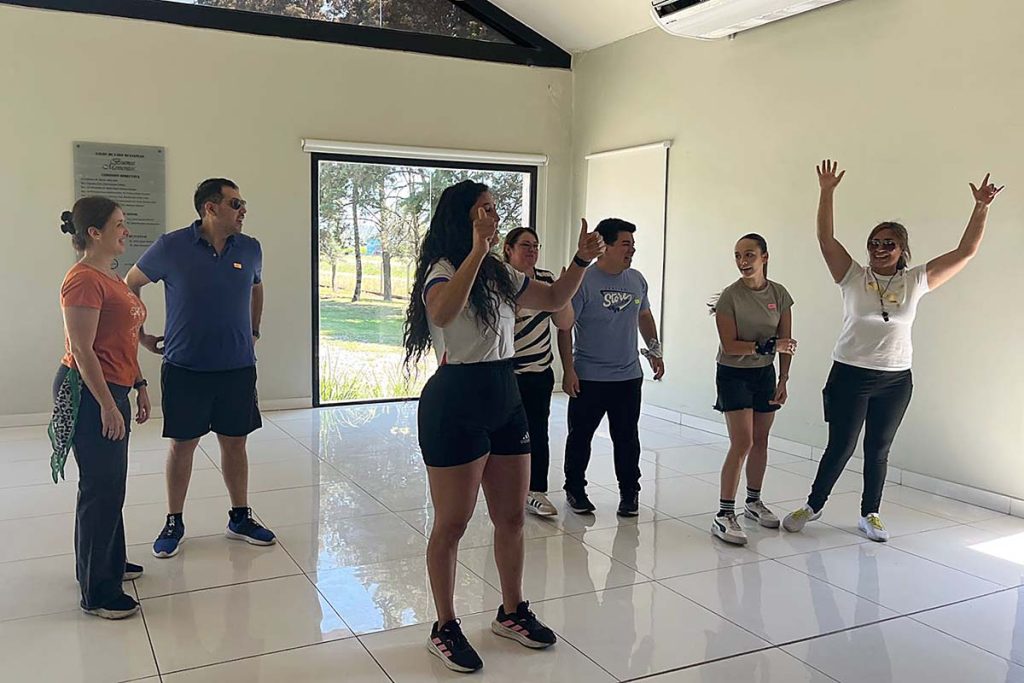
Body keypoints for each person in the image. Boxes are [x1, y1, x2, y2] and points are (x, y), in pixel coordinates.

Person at [403, 179, 604, 673]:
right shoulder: (443, 269)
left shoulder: (499, 271)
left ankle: (511, 611)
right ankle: (444, 626)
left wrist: (581, 261)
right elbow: (443, 312)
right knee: (452, 523)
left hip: (505, 396)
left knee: (512, 517)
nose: (493, 217)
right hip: (456, 401)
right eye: (484, 210)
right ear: (462, 218)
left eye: (495, 209)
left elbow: (554, 297)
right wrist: (476, 251)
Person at [783, 160, 1003, 541]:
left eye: (889, 244)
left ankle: (870, 513)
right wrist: (826, 192)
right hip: (850, 374)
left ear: (902, 250)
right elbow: (825, 239)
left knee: (878, 449)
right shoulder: (853, 276)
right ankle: (813, 505)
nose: (880, 249)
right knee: (841, 446)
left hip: (895, 380)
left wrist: (980, 207)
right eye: (874, 243)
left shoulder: (915, 281)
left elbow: (965, 252)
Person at [125, 178, 274, 559]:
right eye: (235, 203)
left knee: (235, 442)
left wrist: (254, 330)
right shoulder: (171, 246)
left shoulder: (250, 248)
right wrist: (140, 335)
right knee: (183, 445)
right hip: (185, 367)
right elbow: (131, 283)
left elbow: (256, 286)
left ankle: (239, 517)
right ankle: (174, 521)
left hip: (237, 367)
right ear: (210, 207)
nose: (243, 210)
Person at [50, 197, 150, 619]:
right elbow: (82, 349)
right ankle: (98, 591)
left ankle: (108, 561)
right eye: (119, 224)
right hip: (91, 391)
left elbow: (122, 338)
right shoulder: (82, 280)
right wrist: (107, 405)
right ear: (95, 232)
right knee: (100, 487)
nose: (126, 231)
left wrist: (139, 384)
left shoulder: (109, 276)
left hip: (114, 387)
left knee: (111, 484)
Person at [558, 218, 666, 518]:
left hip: (628, 376)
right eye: (625, 244)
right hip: (589, 376)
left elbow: (644, 315)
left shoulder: (637, 280)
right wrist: (568, 369)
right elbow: (565, 327)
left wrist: (654, 350)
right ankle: (575, 489)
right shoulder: (583, 280)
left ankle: (629, 493)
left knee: (627, 438)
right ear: (604, 247)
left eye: (633, 244)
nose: (632, 250)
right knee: (580, 437)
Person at [709, 233, 796, 545]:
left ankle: (753, 502)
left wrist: (783, 378)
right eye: (737, 255)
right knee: (742, 442)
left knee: (761, 439)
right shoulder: (730, 297)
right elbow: (730, 346)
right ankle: (724, 513)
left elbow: (787, 342)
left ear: (764, 257)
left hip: (764, 374)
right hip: (733, 373)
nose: (742, 261)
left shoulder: (780, 294)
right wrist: (768, 346)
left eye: (749, 255)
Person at [503, 227, 574, 517]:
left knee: (537, 432)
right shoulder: (500, 280)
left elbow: (564, 323)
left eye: (536, 245)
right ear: (508, 249)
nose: (532, 251)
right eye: (525, 245)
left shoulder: (546, 280)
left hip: (539, 371)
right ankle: (505, 490)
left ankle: (535, 491)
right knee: (504, 434)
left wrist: (564, 291)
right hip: (506, 372)